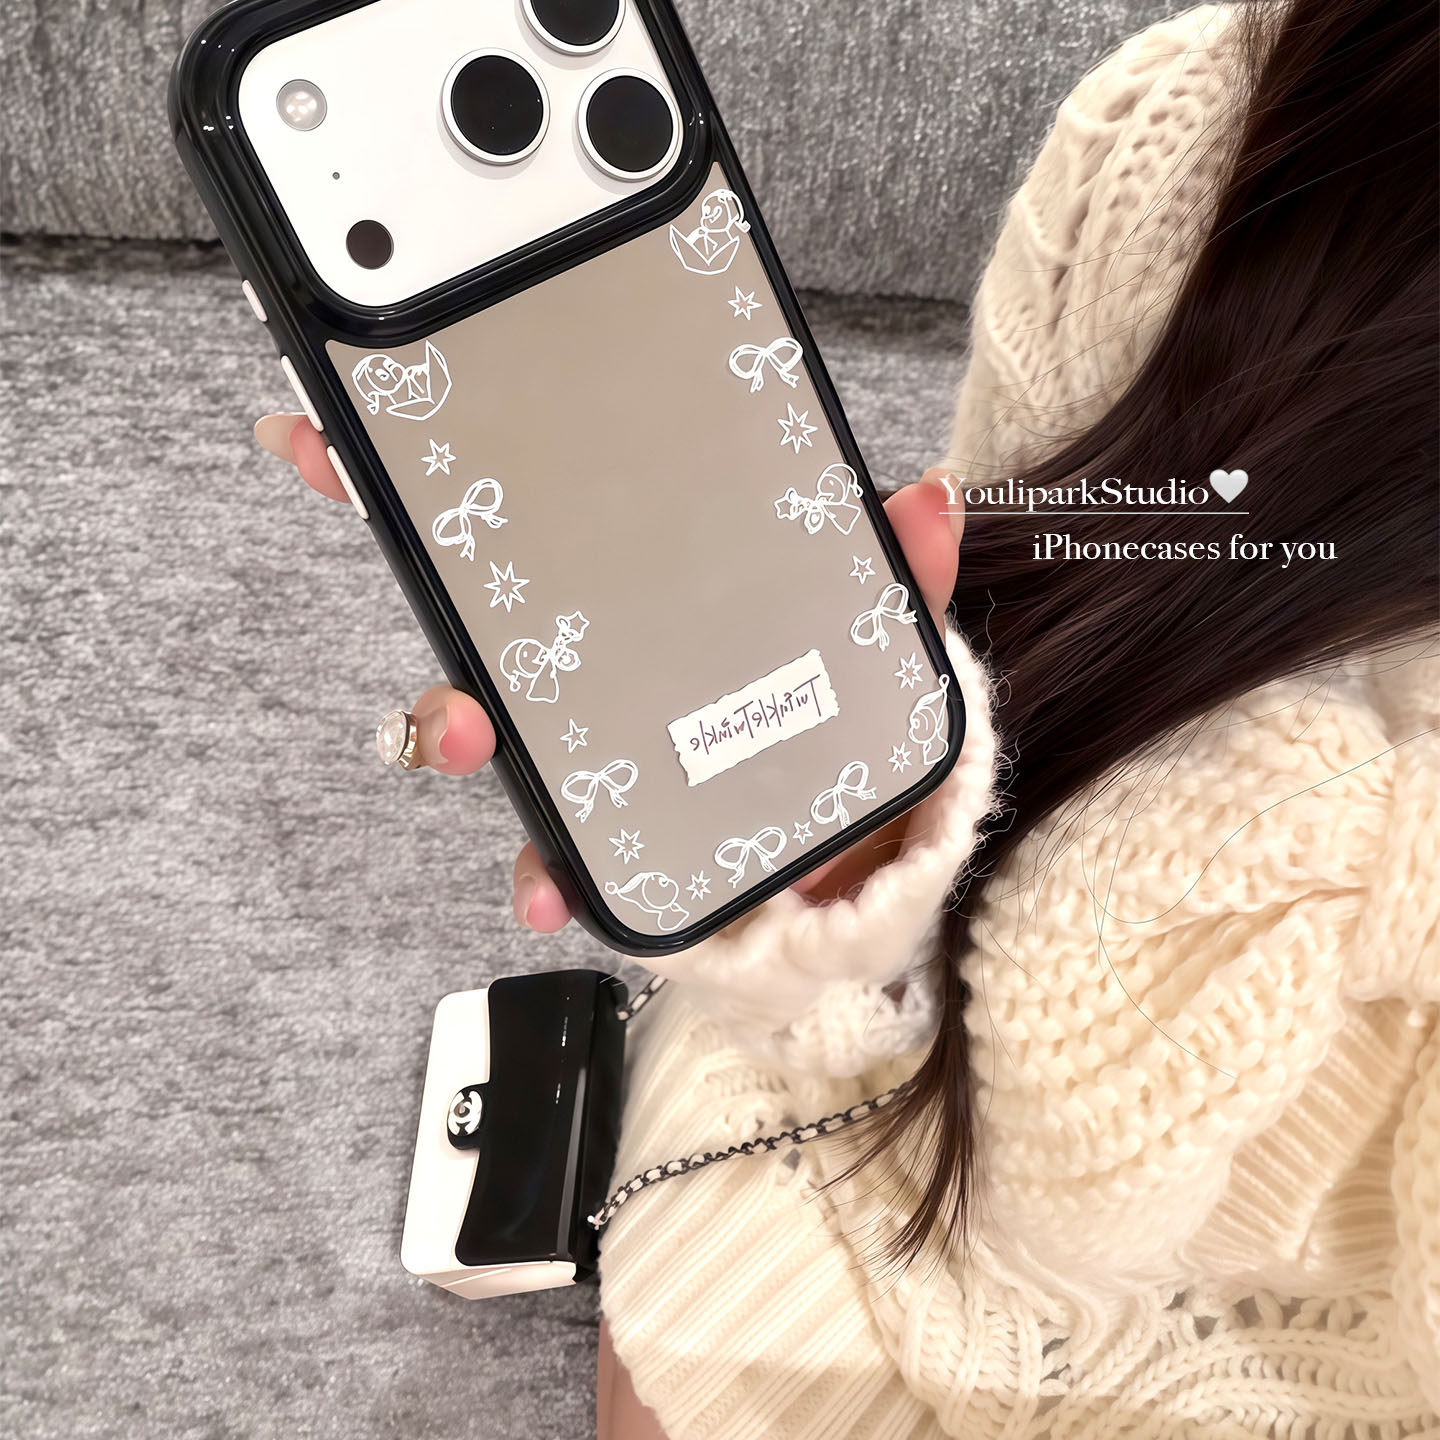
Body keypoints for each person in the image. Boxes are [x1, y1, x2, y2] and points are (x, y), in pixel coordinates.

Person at [254, 0, 1438, 1433]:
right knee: (685, 1323)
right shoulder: (1201, 129)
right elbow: (1028, 626)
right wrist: (831, 841)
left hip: (1335, 1316)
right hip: (909, 1067)